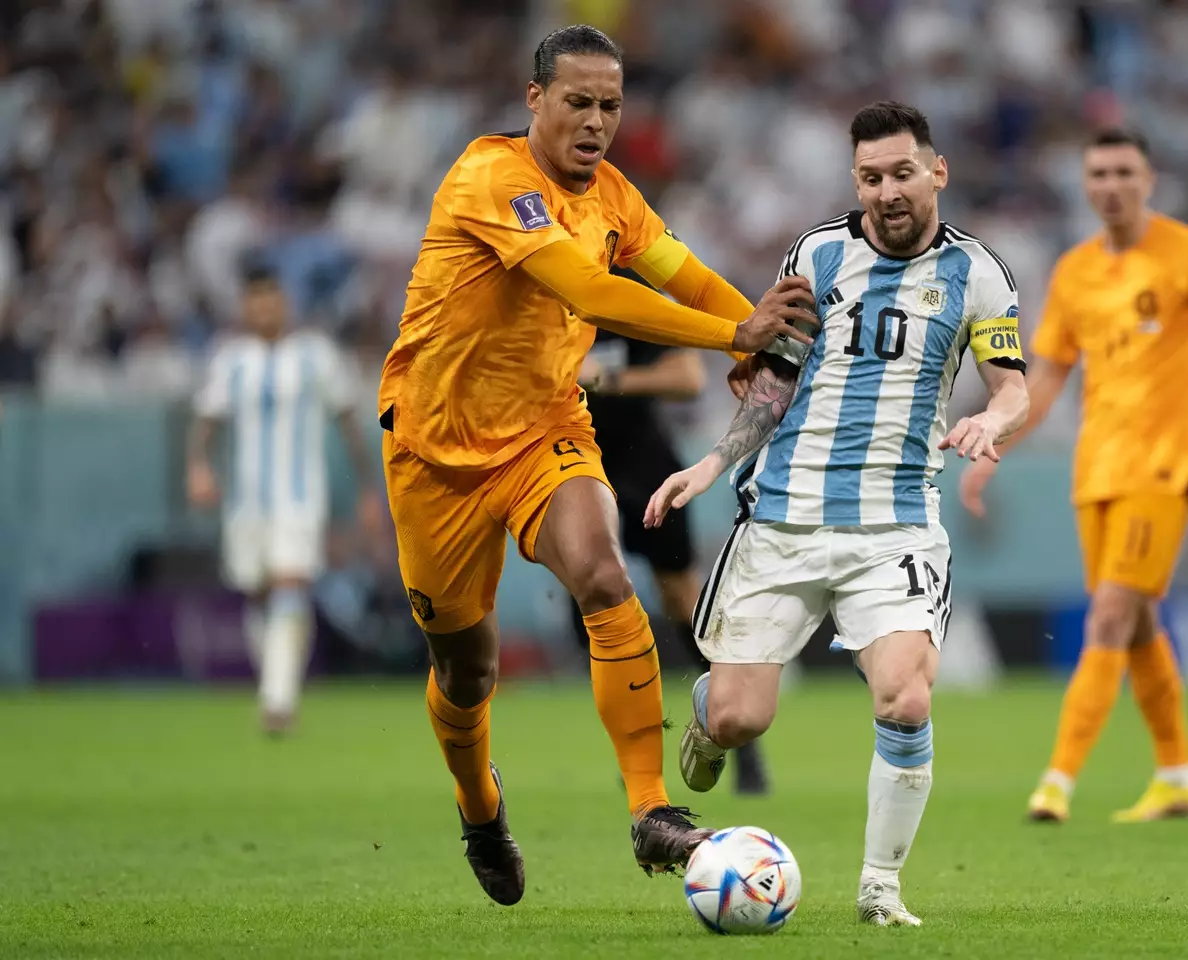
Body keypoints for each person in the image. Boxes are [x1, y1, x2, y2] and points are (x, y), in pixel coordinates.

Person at [376, 25, 808, 907]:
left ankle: (652, 809)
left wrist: (760, 329)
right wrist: (736, 333)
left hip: (545, 431)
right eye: (578, 101)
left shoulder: (615, 194)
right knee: (467, 672)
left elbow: (681, 275)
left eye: (610, 105)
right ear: (535, 99)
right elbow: (590, 291)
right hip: (435, 452)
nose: (596, 121)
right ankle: (479, 807)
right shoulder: (490, 177)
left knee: (607, 576)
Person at [646, 102, 1030, 926]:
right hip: (784, 518)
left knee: (906, 699)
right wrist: (713, 464)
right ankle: (709, 729)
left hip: (895, 525)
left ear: (937, 172)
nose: (885, 192)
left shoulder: (980, 274)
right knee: (743, 717)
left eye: (900, 173)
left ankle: (880, 888)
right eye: (869, 177)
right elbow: (773, 385)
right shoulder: (817, 254)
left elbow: (1013, 385)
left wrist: (991, 423)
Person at [960, 128, 1188, 824]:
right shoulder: (1075, 270)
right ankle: (1178, 775)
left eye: (1123, 172)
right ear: (1085, 185)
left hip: (1165, 465)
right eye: (1098, 173)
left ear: (1149, 179)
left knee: (1110, 613)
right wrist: (996, 444)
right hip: (1096, 470)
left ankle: (1056, 782)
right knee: (1138, 622)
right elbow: (1046, 376)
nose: (1110, 185)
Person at [573, 312, 770, 796]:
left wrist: (608, 378)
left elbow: (688, 376)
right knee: (592, 608)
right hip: (572, 461)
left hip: (642, 462)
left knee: (682, 599)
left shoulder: (622, 290)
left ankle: (738, 745)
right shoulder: (544, 292)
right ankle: (638, 751)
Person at [188, 261, 382, 735]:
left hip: (300, 499)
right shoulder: (229, 360)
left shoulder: (316, 355)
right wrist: (198, 467)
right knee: (258, 592)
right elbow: (207, 423)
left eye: (272, 297)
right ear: (245, 306)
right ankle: (274, 686)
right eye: (256, 299)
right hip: (245, 502)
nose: (265, 307)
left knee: (290, 583)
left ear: (284, 302)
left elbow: (348, 423)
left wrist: (366, 491)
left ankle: (278, 700)